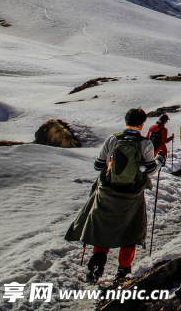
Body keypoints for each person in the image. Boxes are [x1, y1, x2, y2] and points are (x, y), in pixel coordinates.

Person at [65, 108, 160, 283]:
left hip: (107, 193)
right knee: (130, 232)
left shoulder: (113, 139)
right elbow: (151, 170)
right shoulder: (144, 143)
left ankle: (98, 261)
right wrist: (158, 161)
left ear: (126, 121)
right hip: (131, 197)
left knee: (104, 227)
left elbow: (98, 165)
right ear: (143, 123)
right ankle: (123, 271)